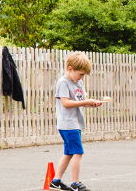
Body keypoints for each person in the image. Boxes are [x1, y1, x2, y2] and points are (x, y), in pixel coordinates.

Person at [48, 52, 101, 191]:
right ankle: (75, 183)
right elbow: (65, 103)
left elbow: (81, 101)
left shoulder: (79, 82)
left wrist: (91, 103)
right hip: (68, 124)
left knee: (69, 153)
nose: (82, 77)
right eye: (81, 74)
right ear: (70, 69)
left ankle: (55, 181)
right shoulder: (63, 82)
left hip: (75, 123)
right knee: (78, 152)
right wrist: (86, 102)